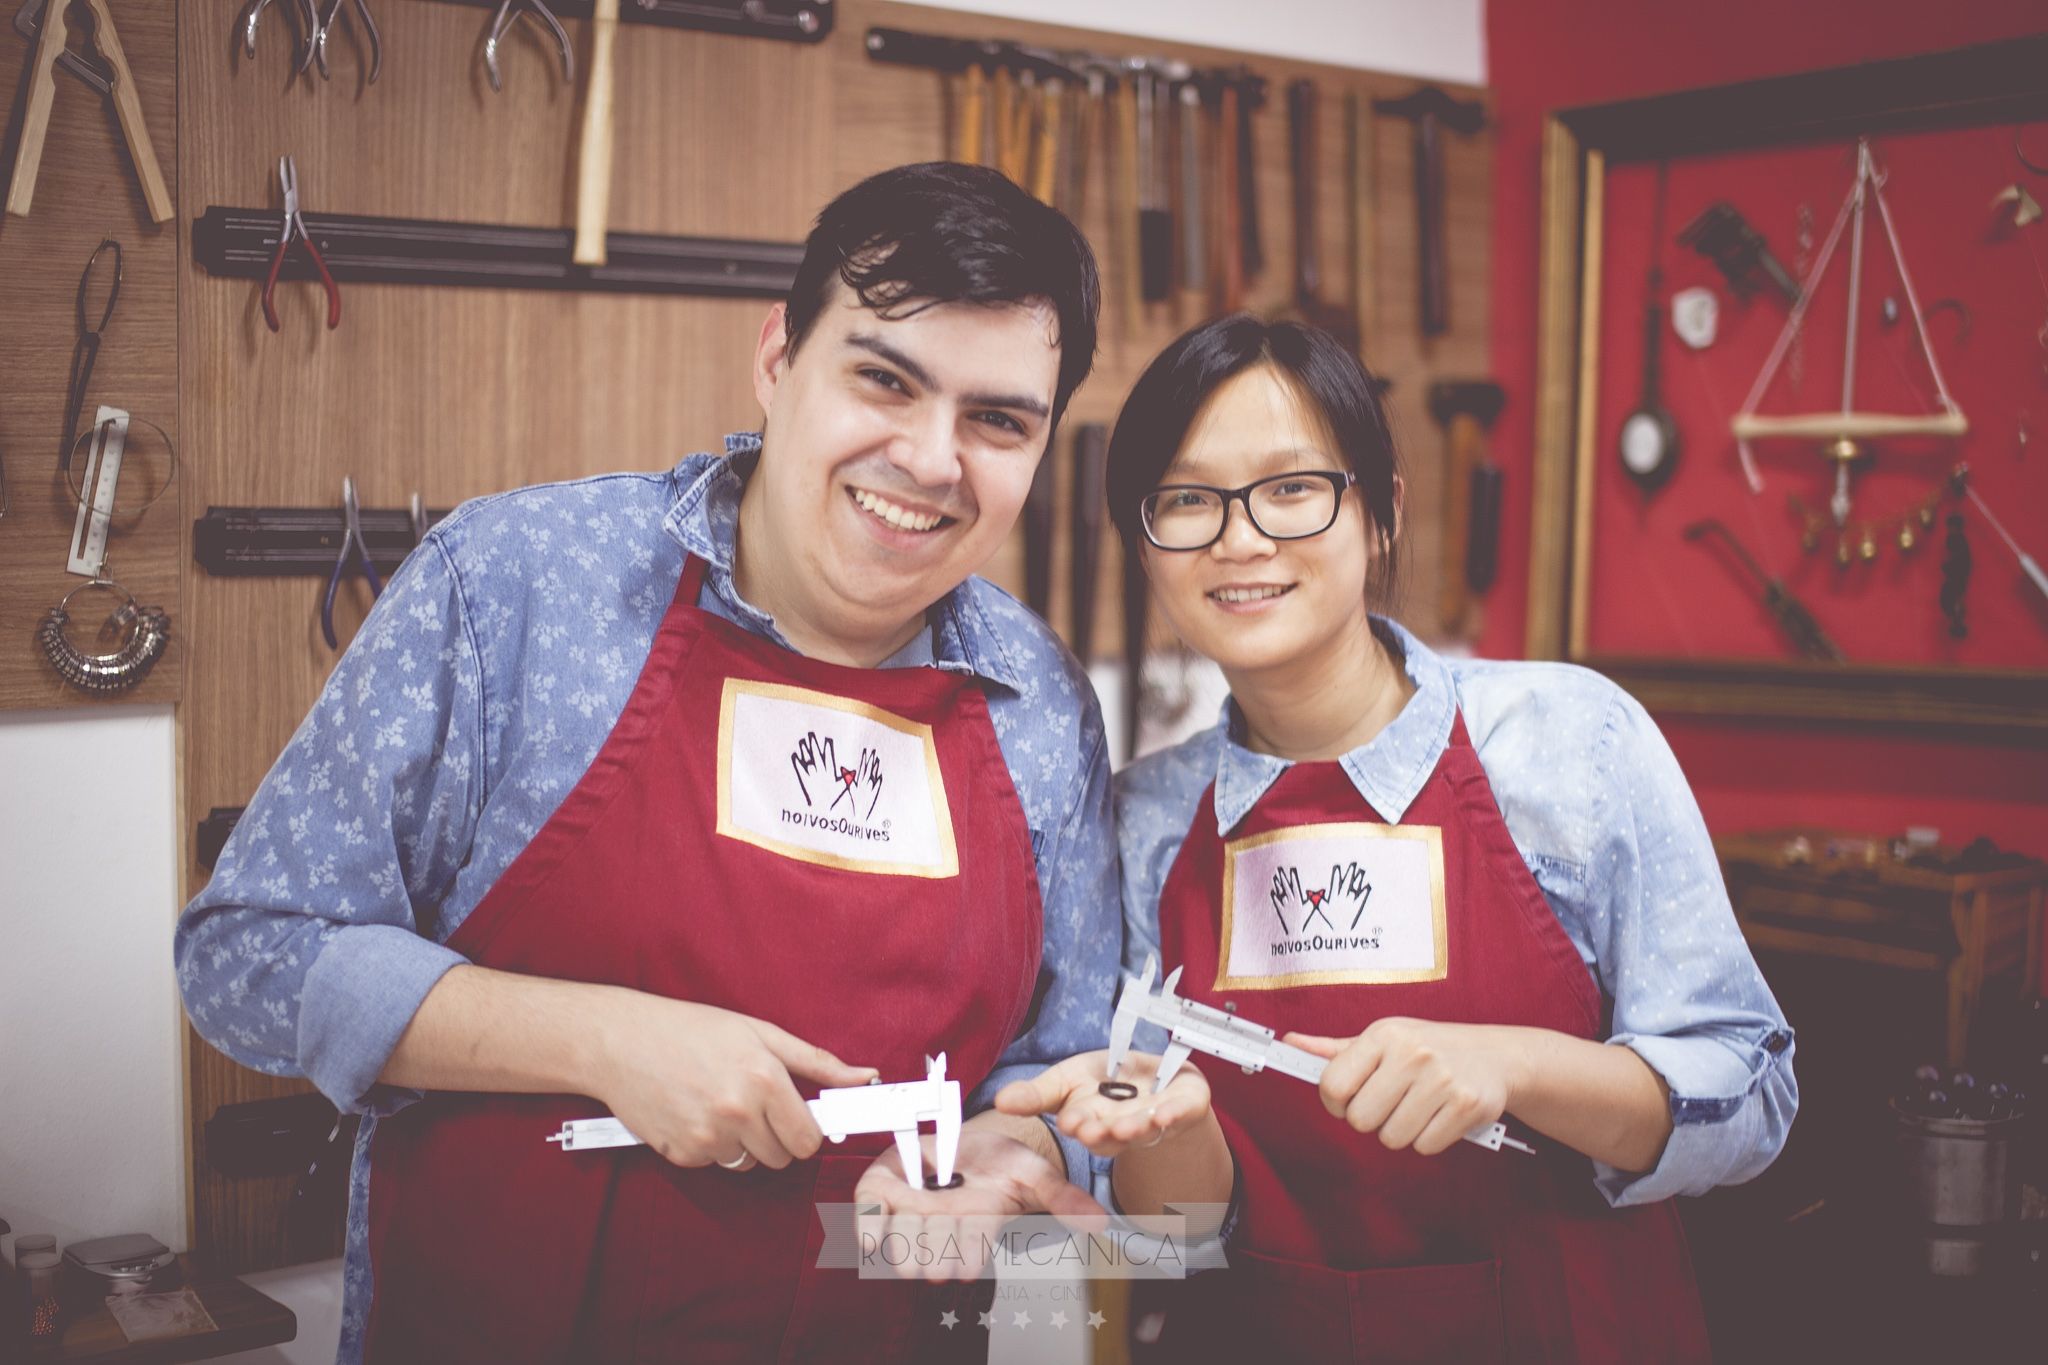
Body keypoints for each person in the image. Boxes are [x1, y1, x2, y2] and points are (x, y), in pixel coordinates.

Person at [175, 162, 1121, 1365]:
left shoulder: (1037, 702)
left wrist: (1020, 1152)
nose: (933, 461)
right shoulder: (521, 587)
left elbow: (1063, 1069)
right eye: (883, 379)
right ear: (778, 359)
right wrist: (603, 1042)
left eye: (997, 420)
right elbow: (249, 954)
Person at [1000, 315, 1797, 1362]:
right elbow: (1167, 1240)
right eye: (1187, 501)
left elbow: (1752, 1094)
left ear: (1379, 513)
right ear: (1146, 544)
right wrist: (1169, 1131)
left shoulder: (1565, 742)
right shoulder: (1144, 819)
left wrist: (1514, 1067)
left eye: (1291, 488)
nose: (1239, 540)